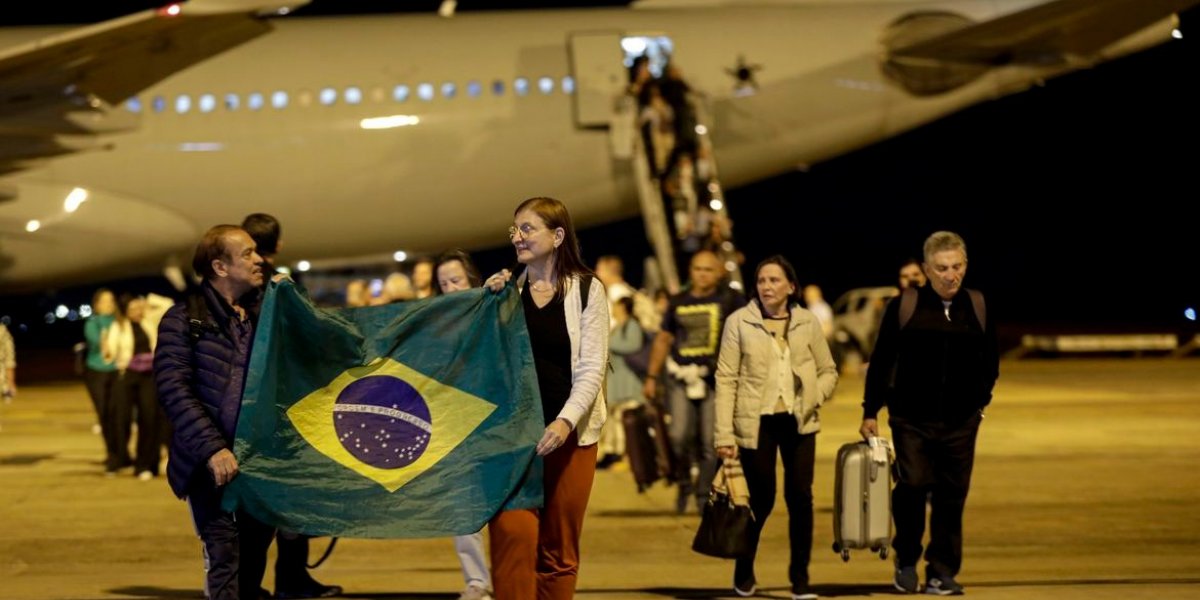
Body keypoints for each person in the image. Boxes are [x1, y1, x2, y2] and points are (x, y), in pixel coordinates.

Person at [483, 197, 608, 600]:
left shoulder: (588, 289)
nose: (517, 237)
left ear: (557, 236)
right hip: (516, 439)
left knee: (558, 548)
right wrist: (485, 305)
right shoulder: (507, 292)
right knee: (511, 532)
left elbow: (592, 368)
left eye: (527, 229)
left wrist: (564, 421)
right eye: (514, 229)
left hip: (569, 437)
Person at [860, 231, 998, 596]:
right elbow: (882, 361)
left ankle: (942, 570)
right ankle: (906, 560)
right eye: (941, 269)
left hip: (961, 421)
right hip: (910, 420)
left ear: (965, 266)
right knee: (914, 486)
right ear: (925, 269)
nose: (950, 275)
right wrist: (870, 409)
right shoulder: (905, 305)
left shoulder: (978, 305)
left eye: (956, 267)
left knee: (953, 496)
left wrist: (978, 403)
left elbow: (991, 362)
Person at [154, 225, 277, 600]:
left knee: (254, 558)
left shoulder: (265, 315)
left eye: (257, 252)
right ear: (220, 267)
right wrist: (212, 449)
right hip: (208, 466)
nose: (259, 260)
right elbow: (174, 390)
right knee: (224, 556)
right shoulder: (182, 320)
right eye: (248, 254)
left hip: (257, 464)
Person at [714, 256, 837, 600]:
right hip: (756, 423)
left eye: (774, 280)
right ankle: (744, 568)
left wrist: (814, 396)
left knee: (801, 498)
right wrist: (724, 435)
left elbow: (829, 370)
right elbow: (726, 379)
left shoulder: (807, 322)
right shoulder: (739, 322)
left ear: (791, 287)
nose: (767, 287)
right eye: (762, 280)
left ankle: (800, 579)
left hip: (800, 422)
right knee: (762, 499)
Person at [242, 212, 342, 600]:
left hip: (250, 409)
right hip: (287, 409)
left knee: (259, 507)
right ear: (279, 246)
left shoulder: (237, 290)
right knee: (290, 503)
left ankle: (253, 585)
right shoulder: (283, 287)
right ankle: (288, 581)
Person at [642, 249, 746, 513]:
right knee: (678, 436)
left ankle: (703, 494)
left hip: (716, 380)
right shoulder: (678, 301)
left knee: (711, 442)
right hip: (680, 377)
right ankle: (685, 483)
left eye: (708, 269)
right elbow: (664, 338)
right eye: (697, 268)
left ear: (720, 272)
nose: (702, 274)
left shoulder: (732, 300)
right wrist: (652, 377)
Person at [433, 248, 493, 600]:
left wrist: (499, 292)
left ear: (472, 278)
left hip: (497, 421)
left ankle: (513, 573)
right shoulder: (435, 324)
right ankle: (476, 581)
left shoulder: (494, 308)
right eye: (443, 284)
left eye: (456, 280)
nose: (451, 289)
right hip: (454, 423)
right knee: (463, 506)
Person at [104, 293, 173, 480]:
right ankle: (116, 460)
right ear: (125, 311)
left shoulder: (149, 321)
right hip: (127, 375)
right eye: (132, 309)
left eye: (138, 308)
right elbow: (109, 354)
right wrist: (109, 352)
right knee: (121, 419)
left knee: (149, 418)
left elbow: (167, 303)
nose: (137, 312)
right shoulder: (118, 327)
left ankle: (145, 465)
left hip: (148, 376)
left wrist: (147, 300)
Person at [84, 289, 121, 466]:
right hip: (97, 371)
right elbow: (96, 341)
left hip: (116, 371)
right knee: (104, 413)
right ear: (97, 304)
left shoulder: (120, 322)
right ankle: (112, 452)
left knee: (118, 414)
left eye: (111, 300)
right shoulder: (93, 322)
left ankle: (121, 452)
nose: (109, 304)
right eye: (104, 301)